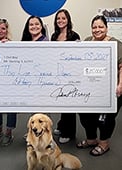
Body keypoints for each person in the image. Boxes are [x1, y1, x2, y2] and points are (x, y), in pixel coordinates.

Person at [76, 15, 122, 156]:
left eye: (101, 26)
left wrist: (120, 84)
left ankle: (103, 143)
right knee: (85, 115)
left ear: (106, 28)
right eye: (94, 27)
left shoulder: (116, 44)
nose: (97, 30)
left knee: (105, 118)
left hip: (110, 89)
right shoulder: (87, 41)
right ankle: (91, 139)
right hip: (90, 88)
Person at [51, 9, 80, 144]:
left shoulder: (74, 36)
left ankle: (68, 133)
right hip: (57, 73)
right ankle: (62, 126)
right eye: (58, 19)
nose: (61, 21)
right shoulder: (54, 36)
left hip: (70, 75)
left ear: (68, 20)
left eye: (63, 18)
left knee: (69, 104)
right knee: (61, 102)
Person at [0, 19, 17, 146]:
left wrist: (8, 46)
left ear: (7, 30)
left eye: (3, 28)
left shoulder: (12, 44)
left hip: (10, 82)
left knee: (11, 107)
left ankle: (9, 133)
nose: (0, 31)